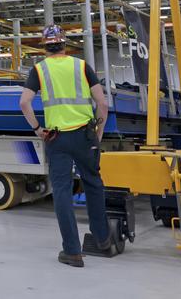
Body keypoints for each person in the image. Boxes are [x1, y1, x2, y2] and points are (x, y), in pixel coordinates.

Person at [19, 24, 117, 267]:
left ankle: (72, 252)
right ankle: (103, 239)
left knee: (62, 191)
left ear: (44, 46)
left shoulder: (39, 70)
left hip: (56, 138)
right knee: (93, 184)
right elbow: (102, 104)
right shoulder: (81, 66)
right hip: (85, 136)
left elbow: (24, 103)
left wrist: (37, 130)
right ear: (64, 44)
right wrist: (97, 134)